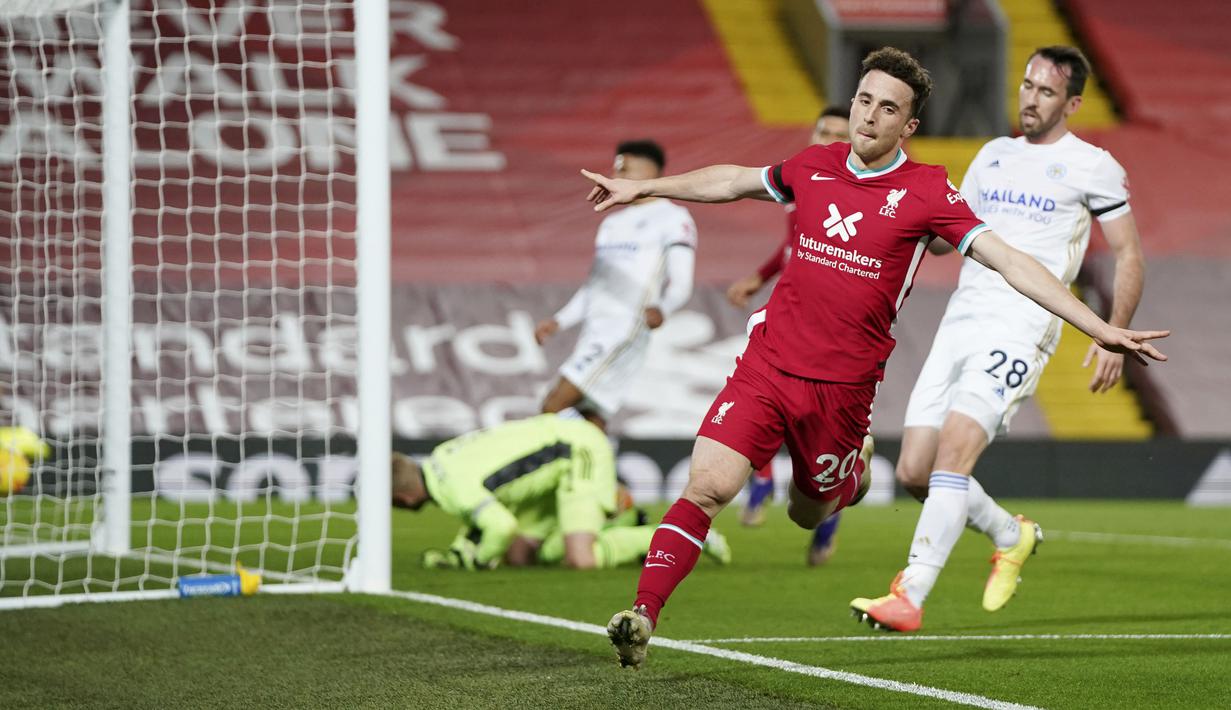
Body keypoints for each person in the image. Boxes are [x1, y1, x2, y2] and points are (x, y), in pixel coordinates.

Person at [580, 46, 1167, 670]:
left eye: (888, 108)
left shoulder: (928, 190)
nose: (868, 115)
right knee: (707, 488)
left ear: (908, 125)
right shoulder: (815, 164)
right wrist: (643, 188)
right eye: (864, 100)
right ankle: (643, 614)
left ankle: (852, 476)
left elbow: (1012, 261)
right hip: (767, 365)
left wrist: (1098, 326)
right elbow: (732, 180)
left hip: (841, 391)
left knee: (807, 512)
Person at [850, 46, 1147, 631]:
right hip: (962, 317)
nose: (1030, 99)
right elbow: (945, 238)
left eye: (1046, 91)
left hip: (1023, 325)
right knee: (914, 472)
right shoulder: (992, 155)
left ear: (1073, 104)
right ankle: (1011, 534)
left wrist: (1111, 332)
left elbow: (1129, 253)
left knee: (955, 451)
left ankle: (910, 594)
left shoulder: (1094, 166)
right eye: (1027, 86)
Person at [726, 106, 861, 567]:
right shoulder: (803, 182)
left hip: (839, 336)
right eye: (822, 131)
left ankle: (826, 516)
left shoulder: (858, 191)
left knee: (824, 441)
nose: (828, 139)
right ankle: (763, 480)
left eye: (839, 134)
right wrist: (757, 278)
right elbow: (794, 247)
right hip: (790, 317)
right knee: (758, 390)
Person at [391, 414, 730, 570]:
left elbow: (500, 526)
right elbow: (481, 516)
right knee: (519, 556)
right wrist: (460, 552)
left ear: (403, 498)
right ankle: (615, 522)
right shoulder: (440, 458)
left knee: (581, 559)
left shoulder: (452, 488)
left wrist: (478, 561)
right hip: (550, 467)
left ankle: (684, 537)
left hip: (575, 452)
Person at [536, 140, 697, 432]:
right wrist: (559, 321)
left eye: (625, 169)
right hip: (594, 330)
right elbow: (595, 285)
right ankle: (598, 464)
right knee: (590, 421)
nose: (615, 174)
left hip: (625, 330)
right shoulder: (611, 224)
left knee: (553, 406)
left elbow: (681, 281)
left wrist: (664, 308)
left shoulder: (673, 218)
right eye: (616, 168)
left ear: (650, 172)